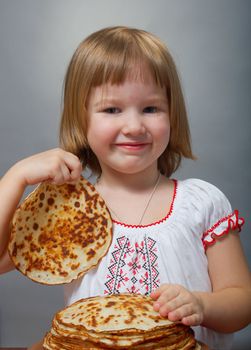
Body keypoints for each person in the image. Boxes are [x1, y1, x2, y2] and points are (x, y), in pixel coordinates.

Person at [0, 26, 250, 350]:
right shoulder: (69, 213)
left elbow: (242, 301)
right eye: (111, 110)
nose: (134, 127)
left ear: (172, 115)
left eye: (151, 108)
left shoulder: (201, 203)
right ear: (82, 119)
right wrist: (14, 177)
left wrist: (202, 305)